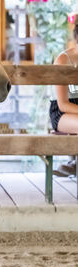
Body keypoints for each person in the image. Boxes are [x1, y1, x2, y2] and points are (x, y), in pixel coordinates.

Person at [49, 26, 78, 176]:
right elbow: (63, 104)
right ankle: (74, 164)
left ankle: (74, 164)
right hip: (62, 112)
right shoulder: (64, 60)